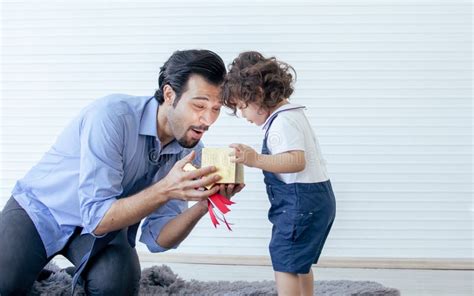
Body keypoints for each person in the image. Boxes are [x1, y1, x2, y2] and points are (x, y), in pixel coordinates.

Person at [0, 49, 244, 295]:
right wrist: (167, 188)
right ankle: (36, 268)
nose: (208, 119)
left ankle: (75, 273)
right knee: (5, 286)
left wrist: (206, 204)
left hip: (103, 230)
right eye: (199, 105)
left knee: (116, 287)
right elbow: (96, 215)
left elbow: (158, 238)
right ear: (170, 94)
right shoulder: (111, 117)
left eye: (216, 108)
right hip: (41, 211)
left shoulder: (188, 151)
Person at [222, 51, 336, 296]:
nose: (242, 115)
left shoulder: (282, 122)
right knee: (299, 262)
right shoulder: (293, 115)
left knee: (284, 259)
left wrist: (255, 159)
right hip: (316, 199)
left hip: (300, 203)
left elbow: (296, 161)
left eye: (242, 107)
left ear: (259, 95)